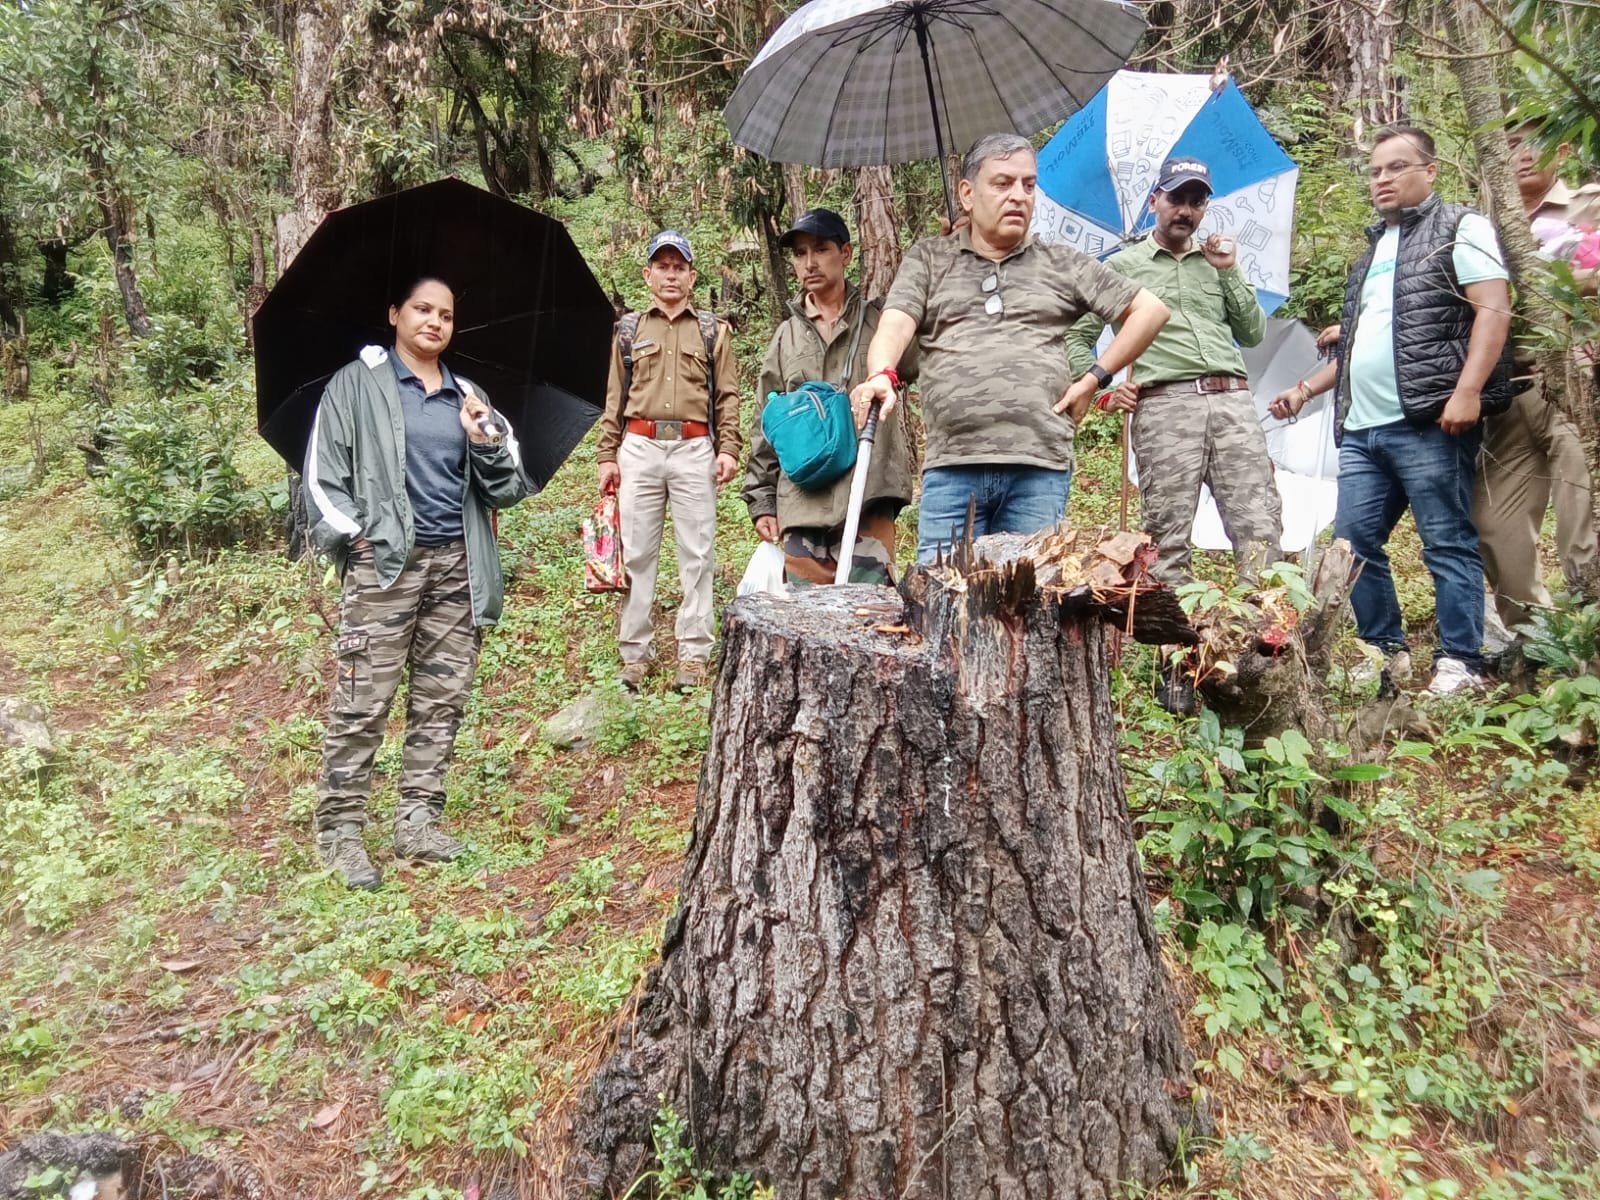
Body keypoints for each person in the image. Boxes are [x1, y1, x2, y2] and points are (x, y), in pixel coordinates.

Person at [303, 275, 533, 890]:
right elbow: (322, 477)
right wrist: (356, 536)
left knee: (441, 697)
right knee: (363, 700)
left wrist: (483, 437)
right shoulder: (354, 386)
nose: (434, 322)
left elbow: (508, 485)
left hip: (456, 564)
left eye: (446, 315)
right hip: (386, 564)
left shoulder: (471, 394)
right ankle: (340, 832)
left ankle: (418, 820)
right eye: (422, 310)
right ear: (395, 314)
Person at [1270, 126, 1513, 695]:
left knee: (1445, 539)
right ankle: (1383, 652)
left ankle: (1461, 662)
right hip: (1361, 428)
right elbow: (1358, 345)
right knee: (1351, 545)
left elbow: (1493, 308)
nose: (1383, 179)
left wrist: (1468, 390)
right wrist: (1306, 390)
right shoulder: (1371, 252)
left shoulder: (1461, 226)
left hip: (1429, 420)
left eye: (1397, 167)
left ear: (1429, 171)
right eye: (1376, 170)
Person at [849, 133, 1170, 562]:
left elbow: (1149, 311)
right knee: (943, 604)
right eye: (1002, 183)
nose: (1018, 195)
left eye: (1028, 185)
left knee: (1027, 611)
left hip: (1038, 467)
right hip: (953, 468)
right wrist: (882, 373)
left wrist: (1095, 378)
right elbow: (896, 321)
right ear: (967, 193)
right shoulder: (930, 259)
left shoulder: (1061, 262)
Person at [1068, 156, 1281, 713]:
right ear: (1155, 201)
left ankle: (1266, 659)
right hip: (1166, 406)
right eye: (1176, 198)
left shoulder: (1218, 263)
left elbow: (1254, 332)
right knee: (1169, 541)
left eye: (1196, 200)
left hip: (1233, 399)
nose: (1186, 210)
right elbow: (1077, 337)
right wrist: (1106, 387)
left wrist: (1231, 268)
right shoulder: (1125, 265)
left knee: (1259, 530)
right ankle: (1177, 667)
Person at [596, 230, 740, 691]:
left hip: (695, 448)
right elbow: (614, 397)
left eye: (680, 267)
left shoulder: (713, 331)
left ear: (692, 276)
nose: (671, 274)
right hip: (638, 447)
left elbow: (727, 395)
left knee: (697, 552)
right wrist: (607, 455)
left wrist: (729, 448)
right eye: (663, 265)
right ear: (648, 274)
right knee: (637, 552)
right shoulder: (628, 330)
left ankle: (694, 653)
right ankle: (635, 655)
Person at [1472, 120, 1600, 634]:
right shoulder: (1481, 227)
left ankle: (1587, 644)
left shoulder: (1588, 207)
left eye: (1530, 143)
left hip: (1575, 379)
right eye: (1506, 147)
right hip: (1508, 389)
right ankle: (1537, 641)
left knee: (1582, 523)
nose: (1520, 155)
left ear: (1561, 148)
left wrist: (1563, 277)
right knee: (1494, 525)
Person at [743, 208, 916, 585]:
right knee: (807, 627)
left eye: (820, 249)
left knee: (869, 618)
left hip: (868, 491)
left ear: (847, 254)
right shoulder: (786, 337)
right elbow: (765, 423)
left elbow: (923, 353)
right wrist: (762, 501)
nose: (809, 263)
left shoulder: (878, 322)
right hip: (802, 501)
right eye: (800, 254)